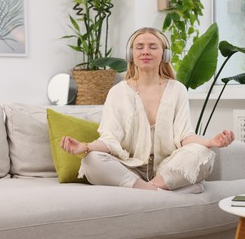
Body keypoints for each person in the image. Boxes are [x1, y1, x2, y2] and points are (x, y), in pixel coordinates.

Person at [61, 27, 235, 194]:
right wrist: (84, 146)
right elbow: (110, 139)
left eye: (153, 47)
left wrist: (211, 142)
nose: (145, 51)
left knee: (202, 154)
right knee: (91, 160)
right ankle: (159, 191)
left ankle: (150, 187)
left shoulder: (177, 90)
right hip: (129, 168)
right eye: (139, 47)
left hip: (167, 167)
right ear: (131, 55)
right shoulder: (118, 92)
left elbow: (184, 136)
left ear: (164, 54)